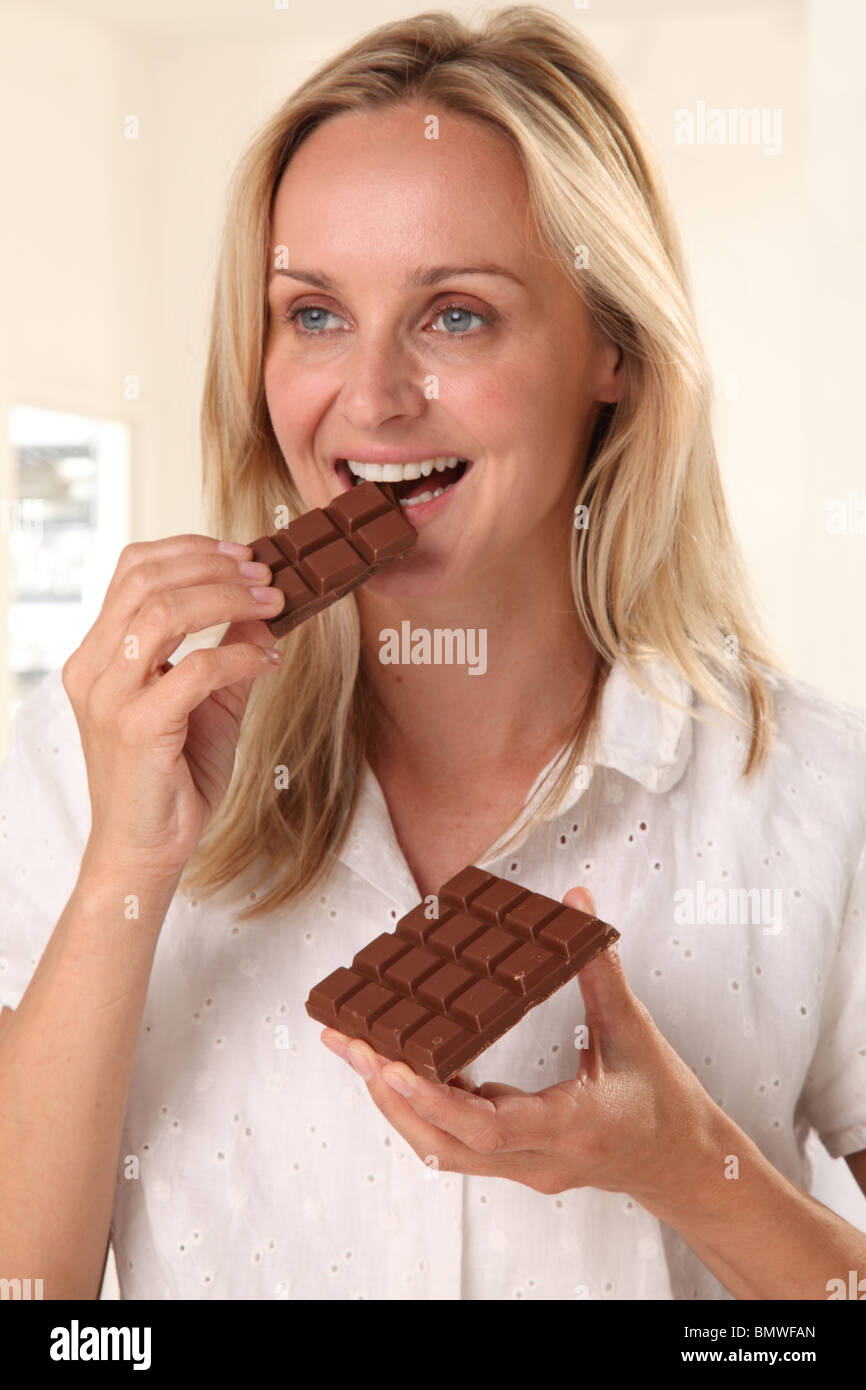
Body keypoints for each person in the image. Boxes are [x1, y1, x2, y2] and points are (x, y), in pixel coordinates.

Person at [1, 6, 865, 1302]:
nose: (368, 398)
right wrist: (129, 866)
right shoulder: (78, 770)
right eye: (312, 313)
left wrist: (690, 1166)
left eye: (454, 315)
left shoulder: (815, 796)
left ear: (609, 347)